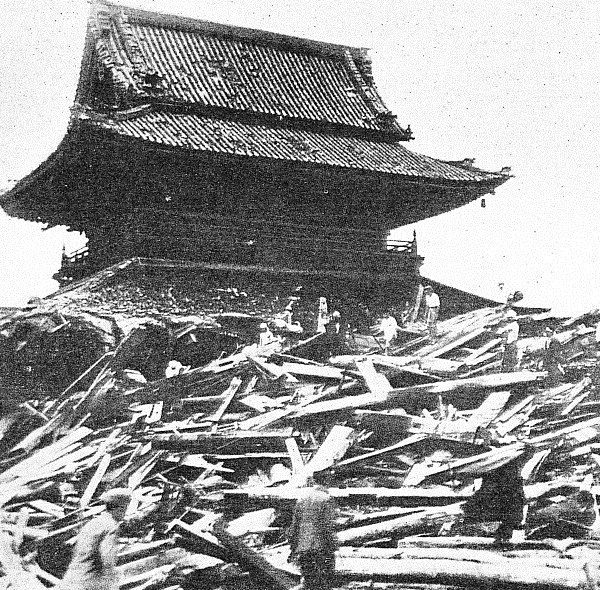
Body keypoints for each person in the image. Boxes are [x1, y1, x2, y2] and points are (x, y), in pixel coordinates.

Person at [59, 488, 130, 590]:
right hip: (88, 583)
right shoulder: (111, 526)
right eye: (125, 508)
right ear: (121, 508)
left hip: (71, 579)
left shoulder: (93, 523)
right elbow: (107, 560)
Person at [288, 472, 338, 590]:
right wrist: (333, 544)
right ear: (326, 481)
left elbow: (295, 525)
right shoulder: (326, 498)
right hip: (321, 547)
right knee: (324, 582)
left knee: (308, 582)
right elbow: (327, 525)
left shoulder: (302, 499)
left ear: (314, 481)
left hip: (304, 547)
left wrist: (294, 546)